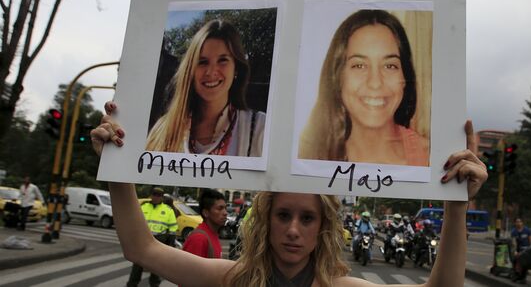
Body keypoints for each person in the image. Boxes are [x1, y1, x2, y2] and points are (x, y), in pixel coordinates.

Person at [91, 101, 487, 286]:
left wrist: (457, 208)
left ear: (323, 227)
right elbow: (141, 249)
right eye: (284, 215)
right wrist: (118, 168)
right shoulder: (234, 280)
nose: (294, 229)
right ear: (266, 220)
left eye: (307, 217)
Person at [299, 9, 429, 165]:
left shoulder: (432, 159)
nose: (375, 83)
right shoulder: (307, 159)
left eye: (389, 66)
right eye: (359, 65)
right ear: (338, 76)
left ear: (404, 77)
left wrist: (464, 188)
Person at [146, 19, 265, 157]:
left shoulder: (259, 128)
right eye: (202, 62)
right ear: (190, 70)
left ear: (236, 68)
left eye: (222, 60)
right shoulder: (162, 130)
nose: (211, 71)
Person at [127, 187, 178, 287]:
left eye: (159, 195)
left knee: (156, 270)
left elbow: (173, 228)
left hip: (158, 242)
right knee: (136, 269)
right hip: (142, 242)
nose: (156, 197)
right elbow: (135, 222)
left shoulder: (168, 210)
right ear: (151, 195)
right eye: (154, 194)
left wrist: (171, 243)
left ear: (162, 197)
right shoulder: (143, 207)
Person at [183, 189, 228, 259]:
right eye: (220, 208)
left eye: (225, 208)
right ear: (205, 213)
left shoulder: (212, 234)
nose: (225, 213)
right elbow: (190, 269)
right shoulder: (199, 238)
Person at [510, 217, 531, 283]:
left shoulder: (527, 230)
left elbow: (530, 241)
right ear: (515, 223)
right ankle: (516, 274)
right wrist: (515, 251)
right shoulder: (514, 231)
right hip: (519, 249)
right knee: (515, 259)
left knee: (524, 261)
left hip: (527, 249)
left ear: (522, 223)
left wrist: (530, 249)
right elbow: (514, 243)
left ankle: (522, 277)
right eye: (517, 222)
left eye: (520, 222)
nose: (518, 223)